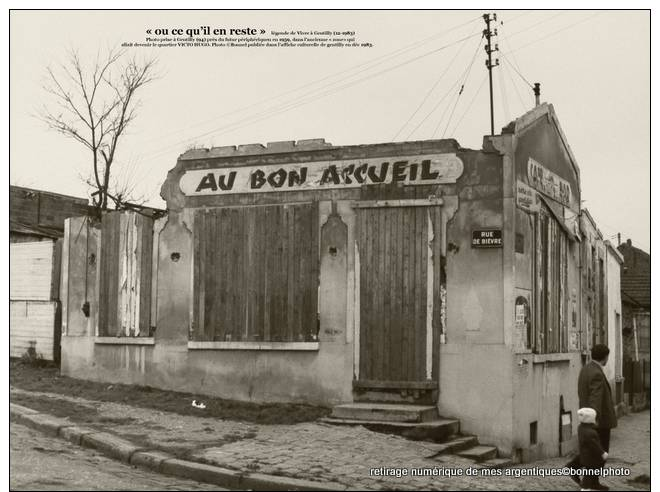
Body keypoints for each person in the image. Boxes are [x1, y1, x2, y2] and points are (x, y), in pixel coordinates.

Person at [566, 344, 617, 489]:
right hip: (598, 421)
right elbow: (596, 398)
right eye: (608, 356)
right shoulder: (596, 373)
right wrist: (594, 421)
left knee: (591, 451)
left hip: (588, 417)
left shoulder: (586, 369)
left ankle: (591, 480)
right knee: (599, 452)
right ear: (605, 357)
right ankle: (581, 473)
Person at [577, 407, 609, 491]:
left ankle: (587, 486)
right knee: (590, 473)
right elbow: (595, 445)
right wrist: (602, 453)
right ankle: (585, 487)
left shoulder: (580, 428)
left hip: (584, 455)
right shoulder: (591, 432)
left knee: (589, 472)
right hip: (591, 458)